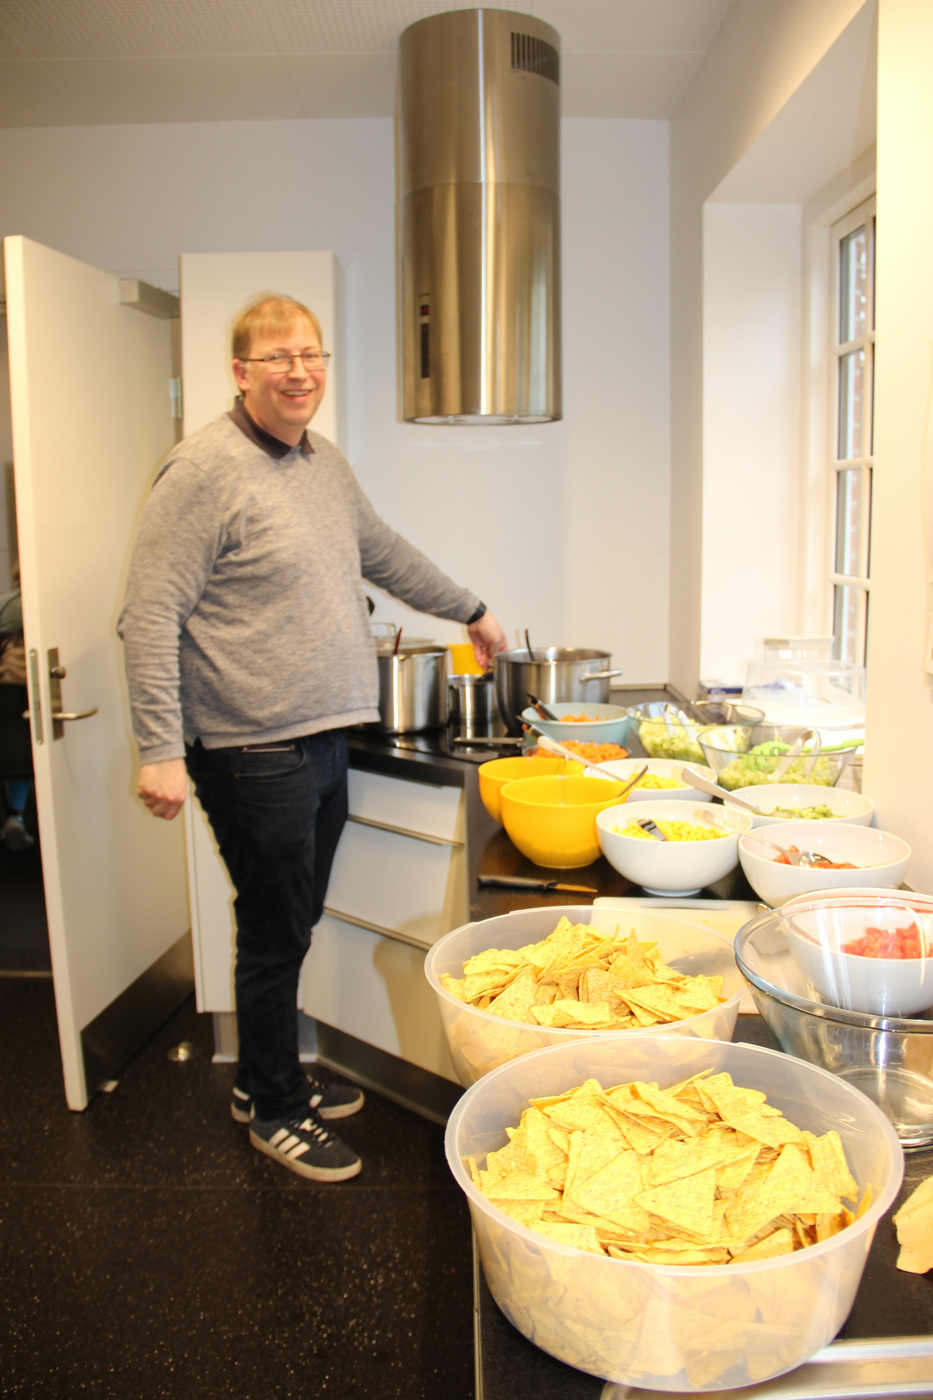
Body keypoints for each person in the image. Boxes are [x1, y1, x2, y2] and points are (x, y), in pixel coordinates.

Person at [118, 292, 506, 1184]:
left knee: (288, 923)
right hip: (251, 748)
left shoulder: (321, 461)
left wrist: (472, 608)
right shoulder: (203, 470)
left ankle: (264, 1079)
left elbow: (383, 551)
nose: (299, 372)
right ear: (240, 372)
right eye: (278, 357)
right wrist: (159, 749)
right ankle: (276, 1109)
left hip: (323, 737)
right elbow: (149, 617)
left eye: (311, 355)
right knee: (273, 930)